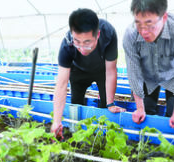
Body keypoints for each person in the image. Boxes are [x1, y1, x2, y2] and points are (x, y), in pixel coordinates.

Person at [51, 8, 125, 139]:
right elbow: (61, 84)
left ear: (98, 35)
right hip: (78, 73)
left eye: (87, 43)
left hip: (102, 71)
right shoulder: (67, 45)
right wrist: (57, 121)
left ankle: (102, 135)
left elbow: (111, 70)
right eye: (77, 42)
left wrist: (111, 103)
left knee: (105, 107)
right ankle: (77, 134)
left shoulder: (108, 33)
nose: (81, 48)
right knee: (76, 103)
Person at [123, 0, 174, 129]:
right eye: (139, 24)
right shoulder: (130, 34)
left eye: (150, 24)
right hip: (147, 76)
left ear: (164, 17)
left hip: (172, 76)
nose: (144, 31)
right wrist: (139, 108)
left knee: (173, 119)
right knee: (144, 116)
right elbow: (134, 74)